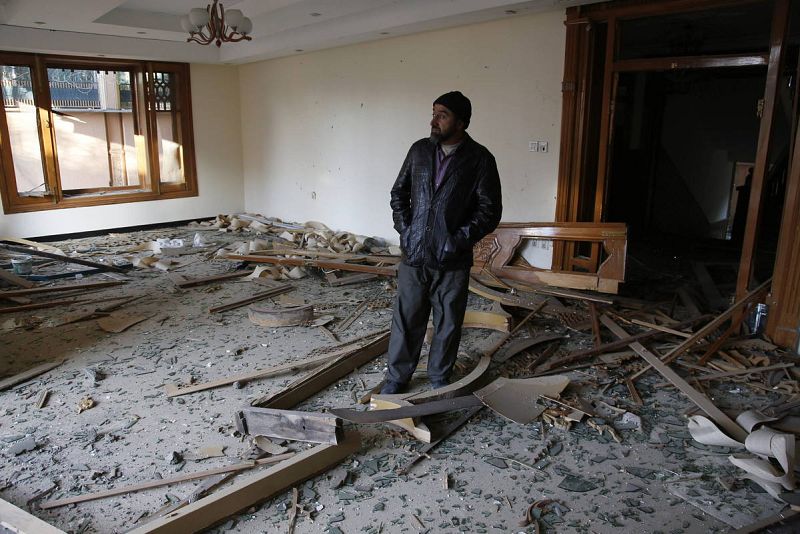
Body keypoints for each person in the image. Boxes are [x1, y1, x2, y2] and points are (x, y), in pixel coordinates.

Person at [382, 91, 502, 394]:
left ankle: (438, 379)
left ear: (461, 122)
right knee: (407, 320)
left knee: (448, 323)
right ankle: (397, 379)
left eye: (442, 115)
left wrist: (457, 240)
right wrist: (406, 230)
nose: (433, 120)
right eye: (434, 112)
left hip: (452, 260)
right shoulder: (419, 151)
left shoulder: (479, 159)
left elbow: (490, 210)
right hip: (414, 254)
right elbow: (399, 193)